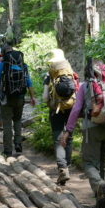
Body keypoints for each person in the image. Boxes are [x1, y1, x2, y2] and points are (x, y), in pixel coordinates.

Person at [59, 59, 105, 208]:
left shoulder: (86, 86)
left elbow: (76, 109)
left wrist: (68, 131)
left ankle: (99, 185)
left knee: (89, 162)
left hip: (92, 128)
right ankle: (103, 198)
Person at [0, 41, 35, 156]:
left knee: (7, 123)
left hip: (6, 98)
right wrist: (32, 97)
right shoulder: (23, 65)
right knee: (17, 120)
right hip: (20, 97)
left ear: (3, 54)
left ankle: (8, 150)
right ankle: (18, 143)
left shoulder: (3, 65)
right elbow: (29, 82)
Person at [42, 48, 78, 185]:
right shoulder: (70, 72)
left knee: (58, 138)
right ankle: (67, 165)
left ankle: (62, 168)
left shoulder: (50, 74)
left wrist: (50, 104)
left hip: (55, 109)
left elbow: (45, 97)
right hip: (71, 107)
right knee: (69, 136)